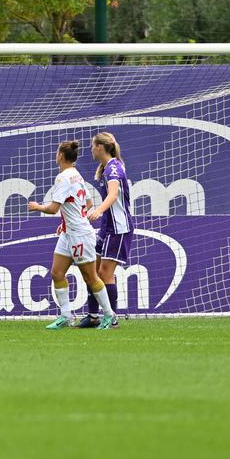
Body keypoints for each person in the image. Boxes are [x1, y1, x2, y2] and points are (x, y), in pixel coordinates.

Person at [28, 140, 116, 330]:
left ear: (60, 156)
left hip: (79, 235)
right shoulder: (77, 175)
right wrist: (65, 222)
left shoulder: (63, 178)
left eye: (57, 152)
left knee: (90, 277)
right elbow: (89, 203)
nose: (56, 155)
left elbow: (53, 209)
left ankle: (109, 315)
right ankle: (66, 315)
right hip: (69, 233)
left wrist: (37, 207)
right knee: (57, 273)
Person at [76, 132, 133, 328]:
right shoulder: (107, 167)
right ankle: (93, 316)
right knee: (92, 271)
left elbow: (114, 193)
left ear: (100, 147)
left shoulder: (113, 169)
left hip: (118, 229)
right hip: (106, 229)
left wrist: (99, 210)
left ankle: (112, 318)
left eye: (93, 146)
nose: (91, 150)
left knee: (105, 273)